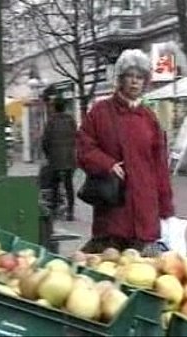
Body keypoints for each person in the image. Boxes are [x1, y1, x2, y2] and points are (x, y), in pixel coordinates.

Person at [76, 49, 175, 256]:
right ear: (120, 79)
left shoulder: (149, 118)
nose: (135, 82)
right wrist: (106, 164)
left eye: (140, 77)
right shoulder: (100, 112)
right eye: (130, 76)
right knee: (110, 270)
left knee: (142, 273)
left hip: (145, 212)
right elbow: (84, 147)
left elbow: (160, 167)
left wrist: (166, 208)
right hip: (113, 212)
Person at [41, 96, 77, 221]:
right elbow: (76, 137)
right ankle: (71, 211)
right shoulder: (71, 120)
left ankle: (55, 209)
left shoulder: (51, 121)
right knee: (69, 185)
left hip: (55, 158)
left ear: (55, 107)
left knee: (54, 184)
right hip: (70, 158)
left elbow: (45, 140)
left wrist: (47, 155)